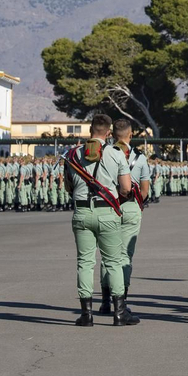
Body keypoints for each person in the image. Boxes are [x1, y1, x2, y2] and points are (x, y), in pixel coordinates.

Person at [65, 114, 137, 327]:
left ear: (90, 131)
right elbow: (125, 188)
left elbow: (68, 187)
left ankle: (86, 314)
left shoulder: (73, 154)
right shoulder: (116, 154)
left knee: (85, 263)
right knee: (113, 262)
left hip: (82, 212)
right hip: (107, 212)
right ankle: (119, 313)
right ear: (108, 133)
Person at [100, 119, 150, 316]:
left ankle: (105, 302)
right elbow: (144, 191)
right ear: (131, 135)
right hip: (130, 208)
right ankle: (121, 301)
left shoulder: (104, 155)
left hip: (109, 207)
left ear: (112, 135)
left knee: (107, 257)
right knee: (125, 256)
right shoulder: (140, 158)